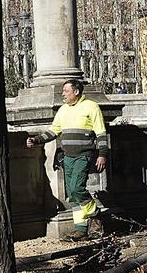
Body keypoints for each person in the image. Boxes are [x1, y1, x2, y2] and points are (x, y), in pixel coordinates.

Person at [26, 79, 107, 236]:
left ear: (76, 92)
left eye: (66, 91)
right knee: (72, 192)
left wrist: (103, 154)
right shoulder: (63, 110)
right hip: (68, 157)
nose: (63, 94)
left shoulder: (91, 106)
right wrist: (36, 140)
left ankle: (95, 214)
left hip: (84, 155)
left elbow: (100, 132)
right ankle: (81, 229)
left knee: (77, 188)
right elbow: (53, 131)